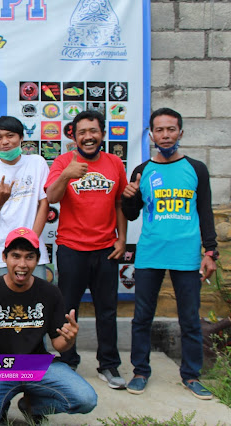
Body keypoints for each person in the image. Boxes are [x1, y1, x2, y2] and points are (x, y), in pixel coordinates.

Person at [121, 108, 218, 399]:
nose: (165, 135)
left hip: (186, 255)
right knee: (142, 317)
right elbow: (132, 214)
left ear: (180, 132)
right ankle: (140, 372)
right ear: (151, 135)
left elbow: (205, 212)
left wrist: (210, 251)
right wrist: (129, 198)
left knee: (189, 319)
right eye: (160, 130)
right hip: (150, 253)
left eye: (171, 129)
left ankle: (191, 375)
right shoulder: (142, 170)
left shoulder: (196, 169)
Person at [0, 227, 97, 425]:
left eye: (29, 257)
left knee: (86, 399)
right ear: (4, 257)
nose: (22, 264)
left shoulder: (50, 293)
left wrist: (69, 339)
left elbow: (59, 345)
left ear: (37, 260)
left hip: (38, 365)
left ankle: (32, 406)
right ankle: (0, 407)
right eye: (16, 256)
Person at [44, 110, 127, 389]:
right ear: (74, 136)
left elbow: (119, 203)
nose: (88, 137)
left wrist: (122, 239)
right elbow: (52, 197)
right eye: (82, 132)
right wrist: (66, 175)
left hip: (106, 249)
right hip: (72, 248)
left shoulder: (114, 163)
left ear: (102, 134)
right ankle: (68, 361)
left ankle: (109, 364)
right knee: (68, 309)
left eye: (93, 131)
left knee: (107, 310)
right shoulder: (63, 161)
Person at [0, 116, 50, 280]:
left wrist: (31, 241)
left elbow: (44, 203)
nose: (5, 142)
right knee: (1, 296)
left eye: (10, 136)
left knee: (37, 295)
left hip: (33, 250)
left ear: (21, 137)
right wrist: (0, 200)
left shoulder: (37, 163)